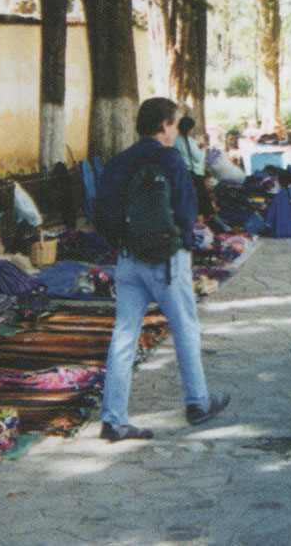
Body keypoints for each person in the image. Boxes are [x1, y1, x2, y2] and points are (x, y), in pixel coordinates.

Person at [94, 97, 229, 441]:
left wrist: (126, 242)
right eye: (174, 124)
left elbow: (101, 214)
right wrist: (182, 242)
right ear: (165, 126)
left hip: (127, 260)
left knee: (124, 336)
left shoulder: (119, 161)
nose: (173, 131)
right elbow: (186, 211)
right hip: (166, 261)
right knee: (184, 326)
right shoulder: (170, 160)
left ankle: (113, 419)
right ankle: (197, 402)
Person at [175, 115, 214, 217]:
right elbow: (197, 158)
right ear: (190, 129)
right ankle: (206, 218)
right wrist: (202, 149)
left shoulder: (175, 140)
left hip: (182, 172)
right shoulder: (189, 141)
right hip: (194, 173)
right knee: (202, 199)